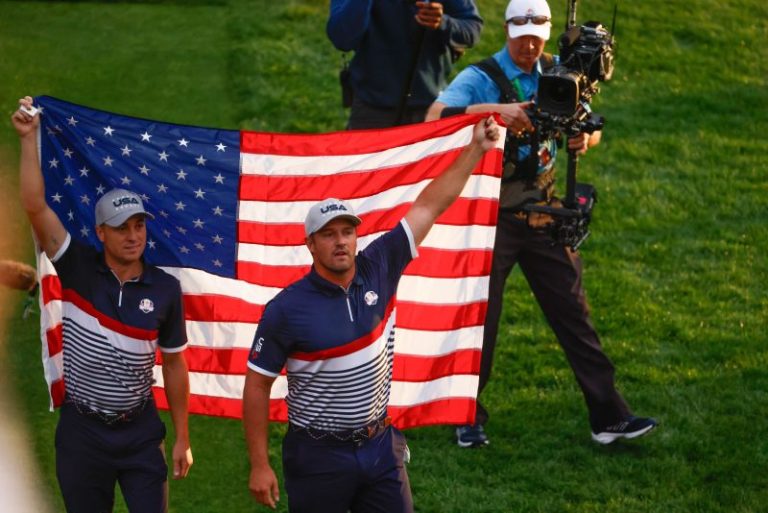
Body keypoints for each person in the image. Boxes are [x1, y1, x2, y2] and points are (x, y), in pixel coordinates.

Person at [426, 0, 657, 447]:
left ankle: (608, 417)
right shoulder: (480, 78)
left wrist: (584, 136)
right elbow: (434, 118)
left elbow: (591, 125)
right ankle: (466, 415)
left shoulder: (561, 72)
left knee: (574, 315)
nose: (529, 49)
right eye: (521, 40)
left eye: (536, 40)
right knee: (481, 320)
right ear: (508, 32)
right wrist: (496, 111)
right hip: (493, 217)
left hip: (547, 210)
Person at [243, 117, 500, 512]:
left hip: (380, 447)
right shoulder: (285, 309)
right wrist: (259, 465)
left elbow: (430, 205)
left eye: (347, 231)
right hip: (317, 458)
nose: (340, 241)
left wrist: (476, 148)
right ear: (310, 244)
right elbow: (258, 386)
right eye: (329, 234)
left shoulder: (379, 263)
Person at [11, 96, 193, 512]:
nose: (133, 236)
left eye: (139, 226)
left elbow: (175, 362)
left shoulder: (164, 289)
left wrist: (182, 435)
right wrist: (27, 139)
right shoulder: (76, 266)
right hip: (82, 433)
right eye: (121, 228)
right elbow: (35, 206)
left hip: (141, 433)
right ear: (101, 233)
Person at [327, 0, 483, 129]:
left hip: (427, 106)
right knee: (366, 166)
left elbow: (472, 29)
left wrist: (443, 23)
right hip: (372, 106)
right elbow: (342, 37)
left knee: (424, 167)